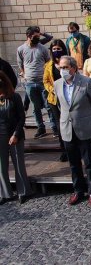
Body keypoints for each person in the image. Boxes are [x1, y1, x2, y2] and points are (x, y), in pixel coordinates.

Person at [54, 56, 91, 207]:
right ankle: (78, 190)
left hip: (85, 128)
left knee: (89, 163)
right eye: (61, 67)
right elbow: (61, 107)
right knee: (73, 164)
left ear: (73, 68)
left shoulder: (86, 82)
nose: (63, 70)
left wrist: (90, 121)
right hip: (67, 129)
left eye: (66, 67)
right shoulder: (57, 84)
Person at [0, 71, 32, 205]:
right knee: (1, 166)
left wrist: (16, 134)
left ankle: (23, 191)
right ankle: (5, 194)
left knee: (18, 164)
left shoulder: (15, 97)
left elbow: (21, 118)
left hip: (14, 134)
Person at [17, 26, 52, 139]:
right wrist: (24, 75)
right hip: (30, 83)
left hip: (43, 82)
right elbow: (20, 64)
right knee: (36, 107)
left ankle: (54, 127)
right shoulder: (21, 49)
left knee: (48, 105)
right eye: (35, 36)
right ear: (28, 36)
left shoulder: (42, 48)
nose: (37, 38)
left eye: (38, 36)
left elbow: (48, 62)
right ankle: (40, 127)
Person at [43, 39, 69, 162]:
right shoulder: (48, 65)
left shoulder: (68, 62)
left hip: (68, 97)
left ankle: (72, 148)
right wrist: (52, 89)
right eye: (54, 49)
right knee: (60, 126)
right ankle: (63, 150)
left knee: (69, 123)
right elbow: (46, 81)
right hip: (54, 99)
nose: (56, 51)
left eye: (59, 49)